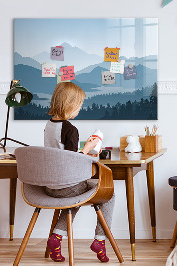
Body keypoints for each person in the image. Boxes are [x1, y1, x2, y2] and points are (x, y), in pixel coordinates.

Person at [44, 82, 115, 263]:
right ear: (70, 105)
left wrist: (85, 150)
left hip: (50, 186)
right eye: (79, 105)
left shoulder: (49, 125)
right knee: (109, 194)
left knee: (74, 198)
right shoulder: (70, 129)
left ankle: (57, 238)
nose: (79, 109)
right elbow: (72, 161)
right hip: (67, 186)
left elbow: (61, 154)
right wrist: (88, 149)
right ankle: (100, 240)